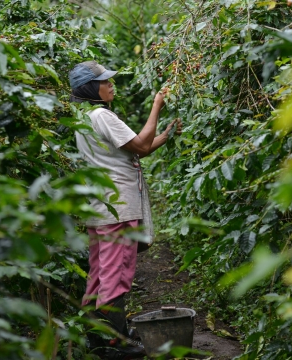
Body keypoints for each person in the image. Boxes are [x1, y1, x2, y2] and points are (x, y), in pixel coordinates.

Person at [69, 60, 182, 359]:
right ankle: (114, 344)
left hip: (101, 207)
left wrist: (166, 134)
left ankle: (101, 337)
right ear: (92, 89)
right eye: (105, 82)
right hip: (117, 207)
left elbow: (134, 149)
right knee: (115, 274)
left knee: (99, 273)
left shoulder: (85, 117)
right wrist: (157, 105)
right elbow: (142, 147)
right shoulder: (102, 115)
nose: (111, 85)